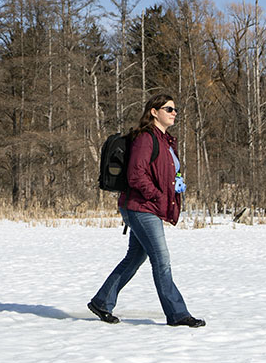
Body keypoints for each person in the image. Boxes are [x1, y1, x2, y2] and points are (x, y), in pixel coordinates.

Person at [88, 93, 205, 328]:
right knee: (162, 260)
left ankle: (102, 301)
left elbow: (161, 171)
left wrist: (176, 182)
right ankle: (177, 314)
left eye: (175, 109)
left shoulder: (164, 140)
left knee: (134, 258)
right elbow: (135, 175)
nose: (174, 113)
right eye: (169, 109)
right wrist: (158, 195)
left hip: (147, 207)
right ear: (154, 112)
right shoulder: (145, 138)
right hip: (141, 207)